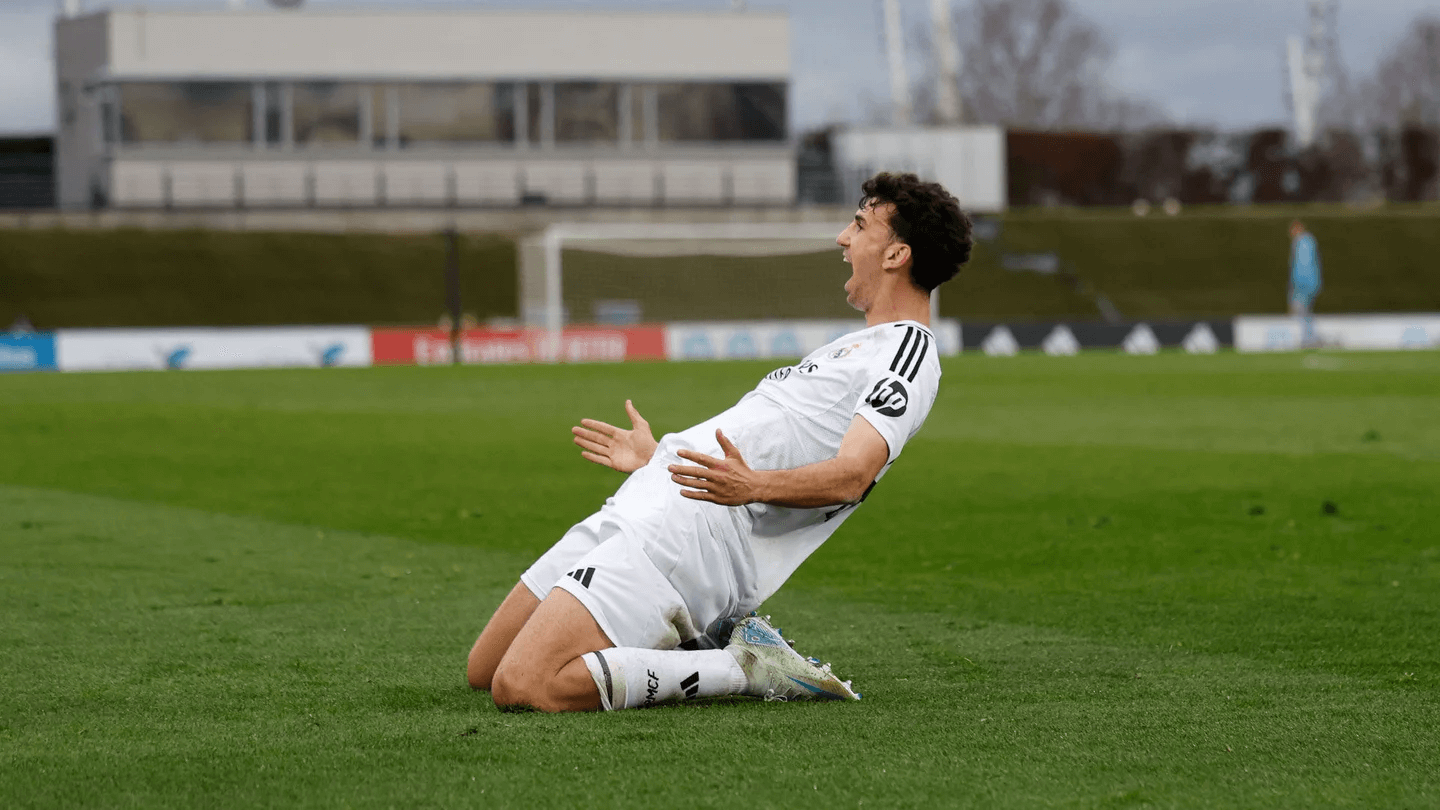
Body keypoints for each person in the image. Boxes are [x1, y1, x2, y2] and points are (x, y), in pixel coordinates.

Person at [466, 172, 974, 712]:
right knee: (486, 668)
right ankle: (704, 639)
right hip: (656, 497)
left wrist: (751, 484)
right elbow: (777, 439)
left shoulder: (908, 354)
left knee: (523, 684)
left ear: (896, 254)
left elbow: (854, 474)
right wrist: (657, 458)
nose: (842, 238)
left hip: (693, 533)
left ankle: (739, 668)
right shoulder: (853, 346)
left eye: (859, 224)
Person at [1289, 220, 1323, 348]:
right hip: (1309, 282)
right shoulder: (1307, 241)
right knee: (1305, 312)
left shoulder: (1302, 242)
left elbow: (1303, 265)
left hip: (1305, 283)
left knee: (1303, 311)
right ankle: (1309, 337)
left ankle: (1309, 338)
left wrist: (1298, 286)